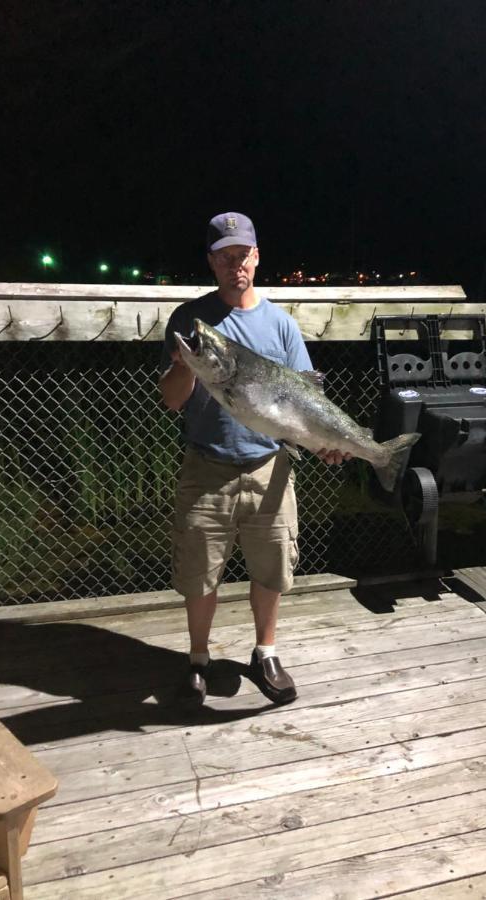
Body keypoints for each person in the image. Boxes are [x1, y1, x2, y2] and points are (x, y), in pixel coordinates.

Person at [159, 211, 348, 708]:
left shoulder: (281, 324)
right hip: (207, 467)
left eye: (242, 255)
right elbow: (172, 400)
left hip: (270, 466)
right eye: (224, 257)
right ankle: (198, 660)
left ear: (256, 257)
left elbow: (309, 399)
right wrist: (186, 365)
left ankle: (265, 652)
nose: (234, 265)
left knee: (271, 569)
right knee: (199, 573)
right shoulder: (190, 322)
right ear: (211, 262)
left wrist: (324, 441)